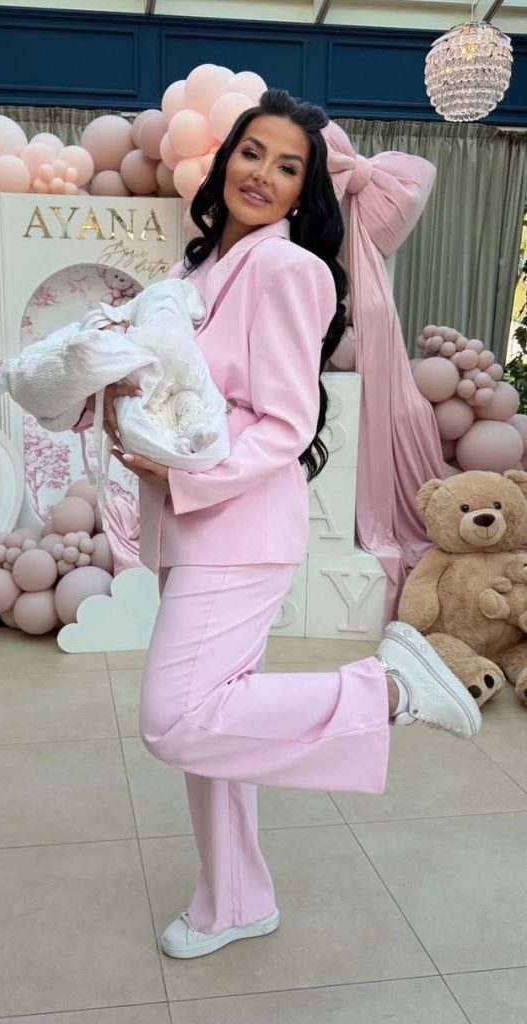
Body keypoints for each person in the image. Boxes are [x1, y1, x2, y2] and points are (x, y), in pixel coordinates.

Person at [90, 89, 482, 960]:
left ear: (306, 190)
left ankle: (388, 691)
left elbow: (283, 422)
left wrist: (185, 469)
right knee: (218, 734)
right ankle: (234, 900)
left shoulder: (289, 270)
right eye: (251, 152)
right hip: (189, 528)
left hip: (236, 531)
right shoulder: (193, 272)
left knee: (176, 719)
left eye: (287, 166)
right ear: (225, 158)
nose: (262, 174)